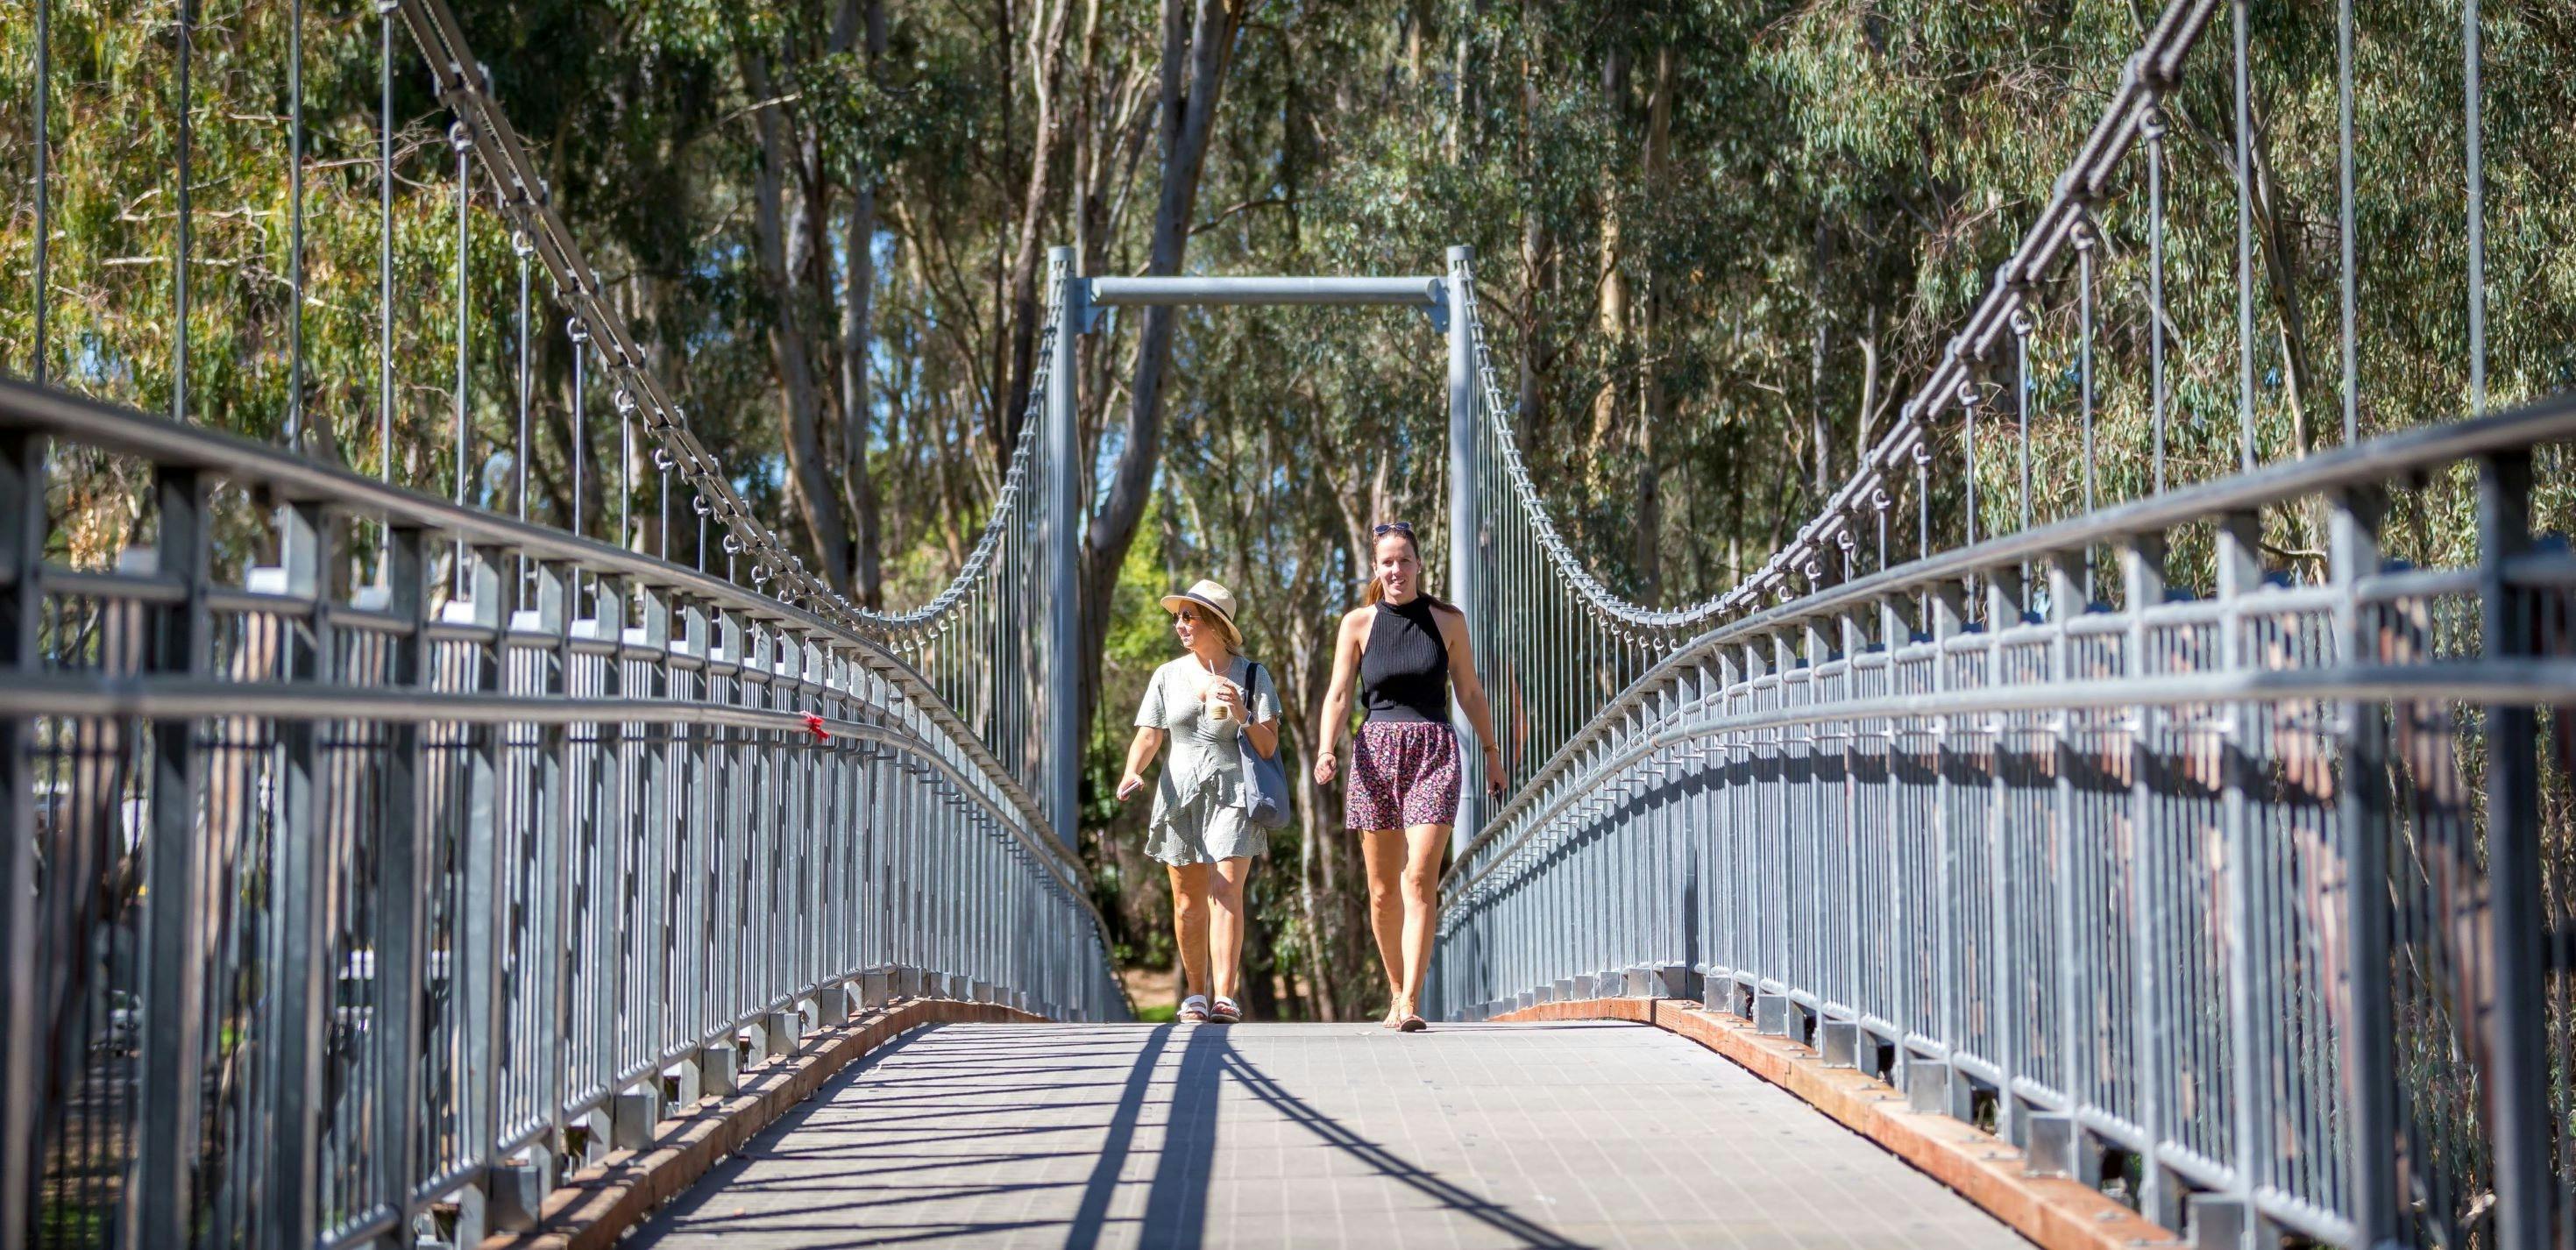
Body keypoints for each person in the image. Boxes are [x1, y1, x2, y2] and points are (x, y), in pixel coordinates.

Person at [1311, 522, 1507, 1032]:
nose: (1395, 570)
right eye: (1386, 562)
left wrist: (1490, 751)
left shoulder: (1447, 621)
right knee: (1381, 891)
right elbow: (1337, 694)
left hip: (1434, 752)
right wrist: (1325, 749)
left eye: (1403, 560)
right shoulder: (1357, 624)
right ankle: (1395, 991)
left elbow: (1469, 691)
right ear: (1376, 570)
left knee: (1419, 878)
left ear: (1419, 565)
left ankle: (1412, 1002)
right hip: (1375, 754)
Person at [1115, 579, 1281, 1025]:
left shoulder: (1252, 675)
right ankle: (1196, 994)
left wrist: (1244, 714)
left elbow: (1268, 747)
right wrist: (1133, 771)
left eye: (1189, 616)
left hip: (1232, 794)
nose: (1180, 625)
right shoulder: (1167, 676)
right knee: (1188, 902)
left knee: (1226, 889)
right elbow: (1149, 735)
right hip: (1178, 796)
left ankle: (1225, 995)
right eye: (1178, 618)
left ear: (1215, 624)